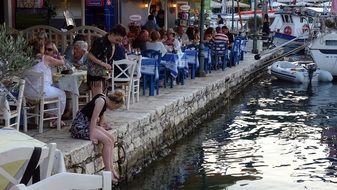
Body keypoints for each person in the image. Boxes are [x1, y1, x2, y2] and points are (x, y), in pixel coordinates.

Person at [70, 91, 124, 183]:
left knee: (110, 139)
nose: (115, 110)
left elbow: (100, 121)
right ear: (115, 102)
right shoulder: (101, 101)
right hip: (80, 127)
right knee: (106, 142)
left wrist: (103, 126)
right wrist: (92, 135)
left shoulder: (104, 101)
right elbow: (94, 119)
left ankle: (111, 168)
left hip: (87, 125)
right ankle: (108, 171)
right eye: (116, 107)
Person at [25, 39, 67, 127]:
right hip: (41, 92)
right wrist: (56, 51)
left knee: (53, 93)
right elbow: (62, 63)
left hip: (27, 93)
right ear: (41, 48)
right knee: (62, 94)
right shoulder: (46, 58)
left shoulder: (25, 59)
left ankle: (52, 118)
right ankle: (56, 119)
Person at [87, 24, 127, 97]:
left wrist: (108, 69)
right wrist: (103, 64)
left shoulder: (113, 44)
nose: (118, 42)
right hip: (95, 73)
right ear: (112, 34)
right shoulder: (100, 41)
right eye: (117, 40)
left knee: (103, 97)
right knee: (98, 97)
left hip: (104, 73)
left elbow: (109, 59)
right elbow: (90, 55)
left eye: (120, 41)